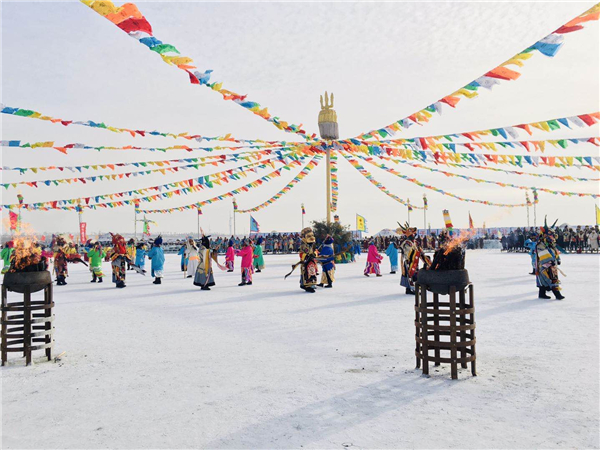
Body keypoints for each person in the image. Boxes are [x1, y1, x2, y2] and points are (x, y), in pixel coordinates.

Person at [535, 218, 565, 300]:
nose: (552, 236)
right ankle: (557, 294)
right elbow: (542, 253)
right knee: (550, 278)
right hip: (545, 263)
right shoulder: (540, 243)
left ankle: (542, 294)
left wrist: (557, 259)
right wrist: (549, 261)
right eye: (550, 234)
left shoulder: (550, 243)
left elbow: (555, 251)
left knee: (548, 278)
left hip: (551, 263)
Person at [397, 223, 430, 295]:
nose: (413, 235)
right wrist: (416, 253)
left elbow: (419, 250)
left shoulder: (414, 242)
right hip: (409, 261)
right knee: (409, 275)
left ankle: (411, 289)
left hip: (414, 260)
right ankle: (410, 289)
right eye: (411, 233)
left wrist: (423, 256)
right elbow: (407, 253)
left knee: (414, 275)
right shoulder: (407, 243)